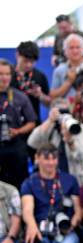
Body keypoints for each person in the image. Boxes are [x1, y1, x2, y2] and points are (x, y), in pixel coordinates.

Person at [21, 144, 82, 243]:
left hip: (64, 230)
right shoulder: (29, 182)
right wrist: (31, 226)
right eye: (46, 158)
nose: (50, 162)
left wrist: (71, 225)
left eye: (54, 158)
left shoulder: (69, 180)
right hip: (39, 230)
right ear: (37, 158)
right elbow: (27, 209)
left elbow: (78, 211)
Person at [27, 98, 83, 186]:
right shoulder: (49, 127)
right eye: (59, 112)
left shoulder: (79, 128)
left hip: (77, 179)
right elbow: (32, 143)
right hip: (52, 180)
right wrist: (49, 121)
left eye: (65, 111)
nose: (62, 115)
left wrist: (71, 141)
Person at [0, 59, 37, 188]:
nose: (4, 77)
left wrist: (18, 131)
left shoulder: (20, 97)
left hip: (15, 145)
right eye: (0, 74)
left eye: (7, 74)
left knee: (20, 182)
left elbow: (32, 122)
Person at [11, 41, 50, 121]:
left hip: (34, 124)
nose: (28, 65)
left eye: (32, 62)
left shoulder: (40, 76)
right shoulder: (8, 74)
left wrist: (40, 95)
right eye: (25, 61)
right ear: (17, 55)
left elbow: (49, 104)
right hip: (11, 123)